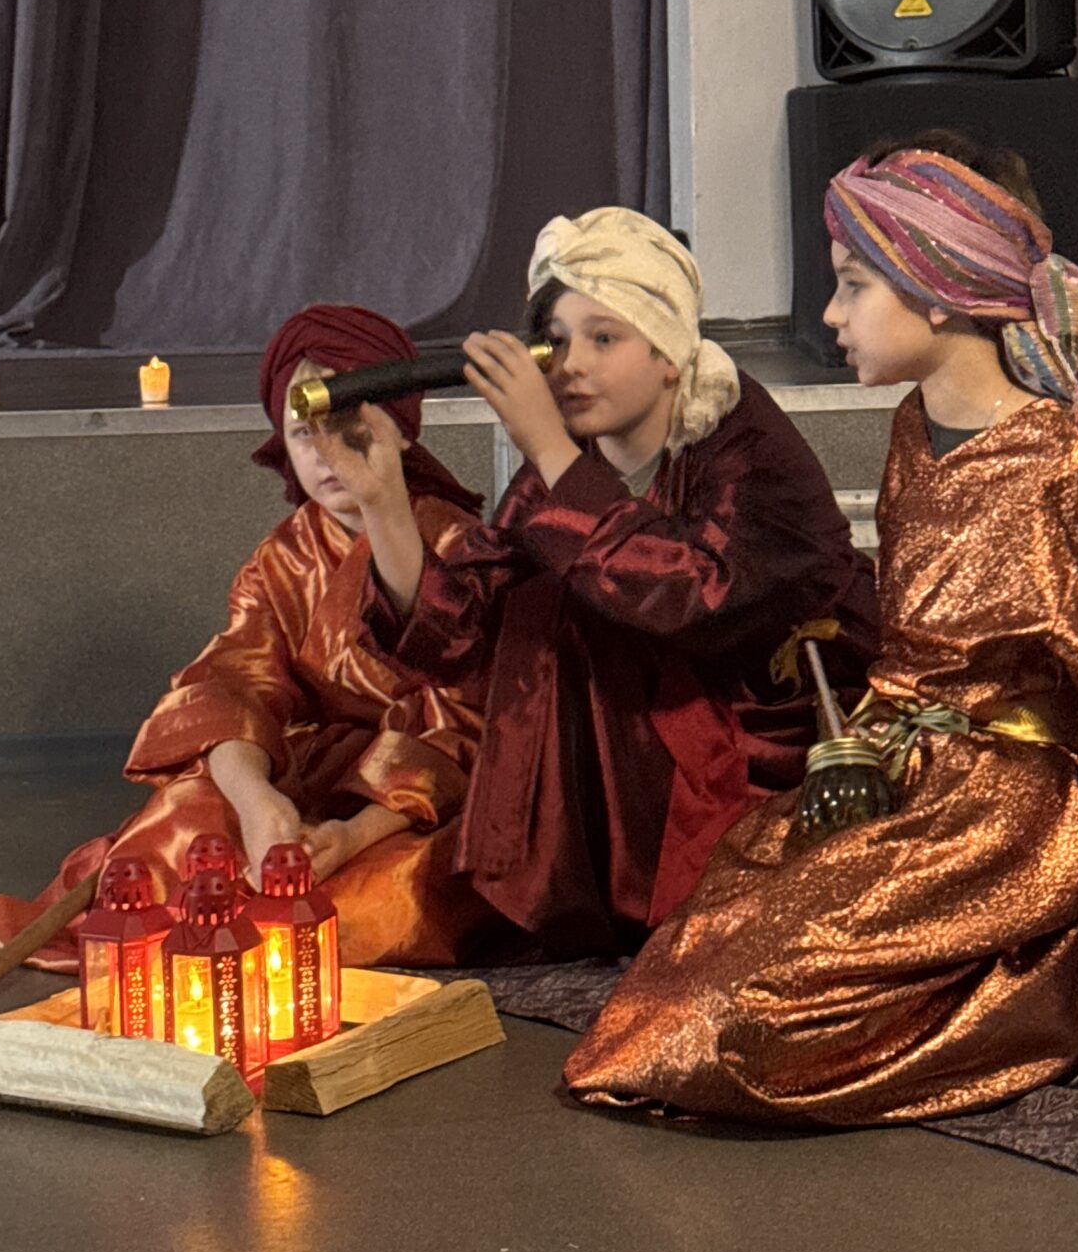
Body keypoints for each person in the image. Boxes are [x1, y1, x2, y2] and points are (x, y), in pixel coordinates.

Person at [561, 138, 1078, 1124]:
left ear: (940, 291)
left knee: (729, 1023)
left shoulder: (1072, 469)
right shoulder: (909, 431)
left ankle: (1045, 995)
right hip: (895, 773)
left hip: (1007, 817)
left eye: (853, 285)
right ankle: (974, 989)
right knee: (684, 964)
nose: (830, 315)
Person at [322, 208, 883, 957]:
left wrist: (549, 449)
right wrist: (382, 498)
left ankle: (653, 896)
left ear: (669, 354)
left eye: (605, 338)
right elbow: (464, 634)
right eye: (556, 341)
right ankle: (592, 893)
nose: (571, 365)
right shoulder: (572, 461)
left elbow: (693, 600)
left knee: (576, 598)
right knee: (540, 603)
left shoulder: (745, 442)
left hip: (775, 735)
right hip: (660, 743)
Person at [0, 305, 499, 972]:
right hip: (315, 778)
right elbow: (230, 686)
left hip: (425, 796)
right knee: (183, 820)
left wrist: (353, 833)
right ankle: (221, 913)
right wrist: (257, 804)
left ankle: (253, 920)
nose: (328, 454)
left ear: (400, 432)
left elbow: (469, 720)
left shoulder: (457, 546)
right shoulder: (280, 560)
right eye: (303, 433)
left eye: (351, 430)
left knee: (386, 897)